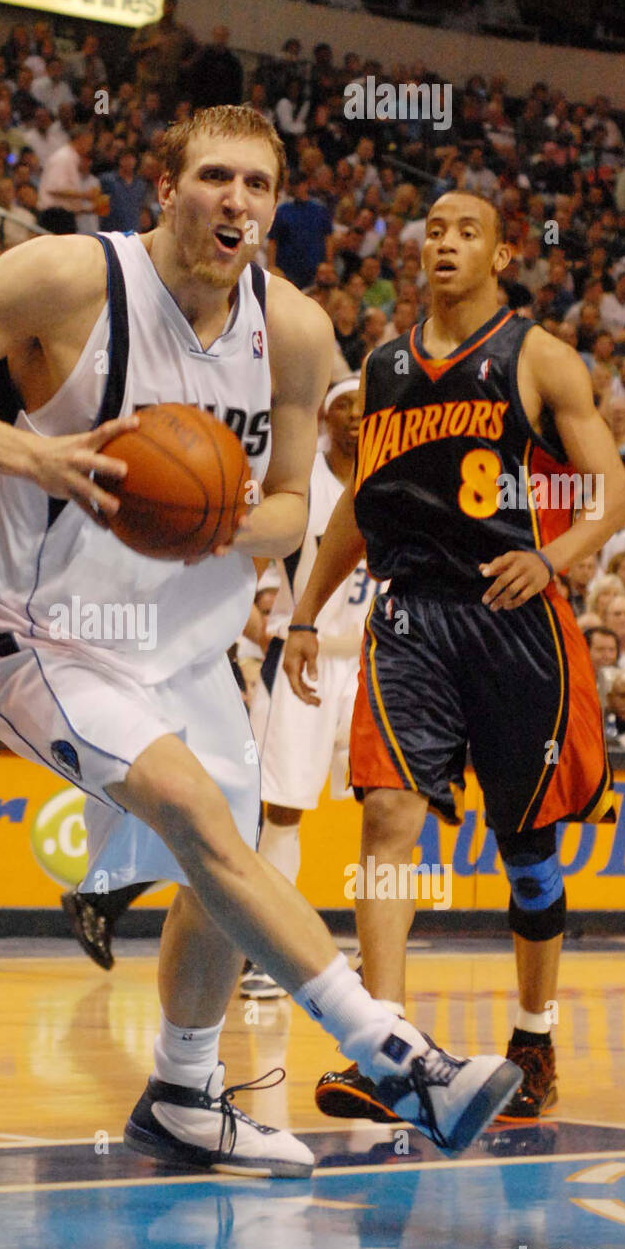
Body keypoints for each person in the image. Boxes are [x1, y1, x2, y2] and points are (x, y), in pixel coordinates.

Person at [0, 107, 522, 1178]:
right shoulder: (66, 278)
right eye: (213, 177)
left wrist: (212, 517)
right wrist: (40, 457)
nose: (236, 203)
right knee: (201, 817)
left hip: (185, 651)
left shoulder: (290, 329)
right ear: (164, 188)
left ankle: (182, 1091)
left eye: (257, 185)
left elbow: (295, 508)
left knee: (227, 865)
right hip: (31, 635)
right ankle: (395, 1053)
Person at [283, 190, 625, 1125]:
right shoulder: (385, 368)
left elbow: (615, 495)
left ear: (503, 254)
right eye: (432, 228)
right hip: (410, 620)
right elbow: (362, 501)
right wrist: (306, 612)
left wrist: (551, 557)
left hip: (515, 618)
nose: (444, 243)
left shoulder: (540, 357)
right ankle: (385, 1045)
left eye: (466, 231)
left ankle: (533, 1032)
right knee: (388, 812)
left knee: (528, 852)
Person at [244, 376, 378, 1001]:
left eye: (363, 405)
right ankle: (264, 950)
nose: (354, 415)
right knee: (282, 808)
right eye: (341, 406)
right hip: (302, 656)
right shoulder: (300, 487)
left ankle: (368, 952)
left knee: (384, 807)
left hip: (368, 663)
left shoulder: (389, 483)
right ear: (322, 419)